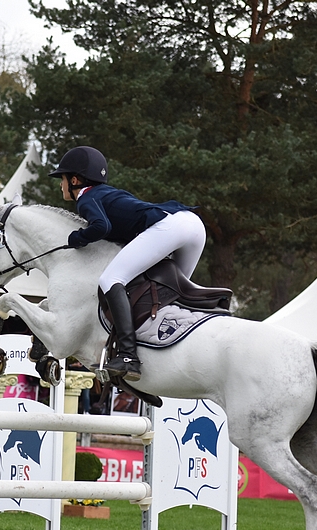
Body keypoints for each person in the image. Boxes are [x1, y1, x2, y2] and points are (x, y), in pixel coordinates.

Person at [49, 146, 206, 381]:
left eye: (62, 179)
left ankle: (128, 356)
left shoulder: (86, 198)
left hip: (170, 228)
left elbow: (102, 227)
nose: (61, 185)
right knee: (175, 292)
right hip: (193, 225)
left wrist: (76, 238)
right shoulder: (107, 193)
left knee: (110, 280)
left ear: (74, 180)